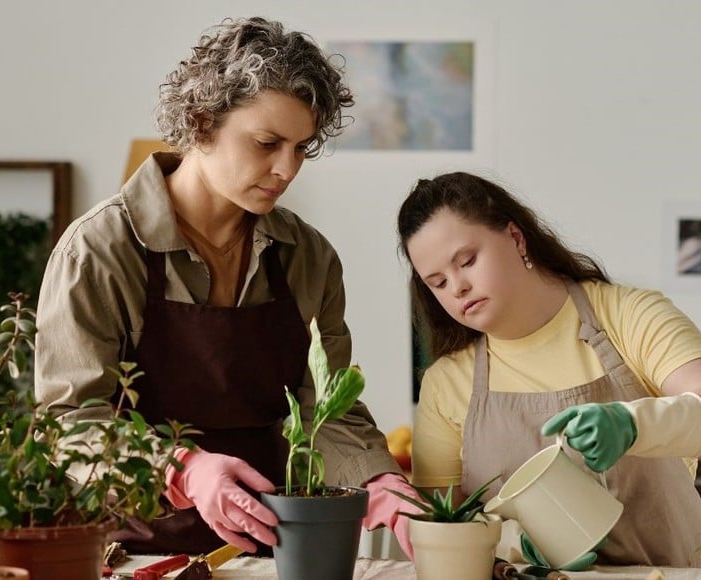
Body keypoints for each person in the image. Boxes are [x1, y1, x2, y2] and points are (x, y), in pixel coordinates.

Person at [35, 16, 419, 557]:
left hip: (273, 541)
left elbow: (326, 406)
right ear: (201, 121)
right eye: (267, 143)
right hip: (130, 549)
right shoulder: (99, 250)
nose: (287, 169)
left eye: (302, 149)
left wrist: (380, 482)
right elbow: (70, 419)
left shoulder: (308, 257)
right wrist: (185, 469)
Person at [396, 172, 701, 568]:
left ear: (516, 239)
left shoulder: (628, 316)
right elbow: (443, 531)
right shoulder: (445, 383)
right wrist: (512, 544)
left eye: (467, 261)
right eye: (438, 282)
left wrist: (634, 425)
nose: (457, 287)